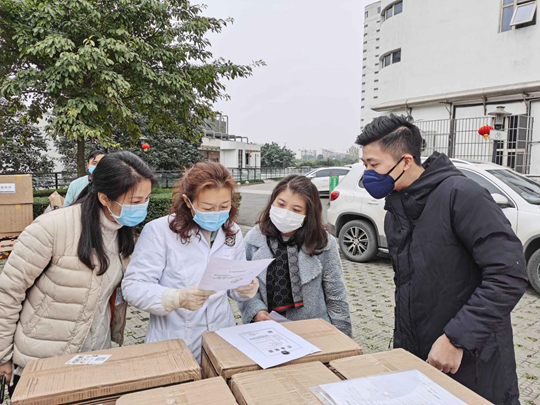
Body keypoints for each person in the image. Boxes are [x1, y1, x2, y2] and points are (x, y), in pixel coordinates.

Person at [356, 114, 528, 404]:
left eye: (374, 165)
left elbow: (508, 274)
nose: (368, 174)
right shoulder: (396, 209)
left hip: (472, 356)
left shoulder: (462, 196)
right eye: (365, 165)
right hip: (421, 352)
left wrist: (456, 338)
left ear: (406, 162)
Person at [0, 151, 154, 397]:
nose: (142, 207)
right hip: (42, 360)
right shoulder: (52, 228)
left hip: (95, 356)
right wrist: (2, 357)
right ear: (104, 197)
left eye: (147, 199)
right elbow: (8, 293)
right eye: (135, 201)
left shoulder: (125, 234)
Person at [121, 161, 259, 363]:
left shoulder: (233, 232)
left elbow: (231, 287)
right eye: (208, 207)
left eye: (224, 206)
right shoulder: (160, 232)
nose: (217, 213)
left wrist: (244, 288)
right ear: (188, 201)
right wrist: (176, 298)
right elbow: (133, 287)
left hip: (222, 334)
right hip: (175, 338)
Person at [238, 175, 353, 337]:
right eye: (281, 204)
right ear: (272, 201)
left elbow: (336, 296)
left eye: (296, 209)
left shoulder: (323, 243)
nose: (285, 213)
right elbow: (243, 286)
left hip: (314, 333)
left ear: (308, 213)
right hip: (267, 333)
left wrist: (343, 341)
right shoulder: (254, 237)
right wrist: (257, 311)